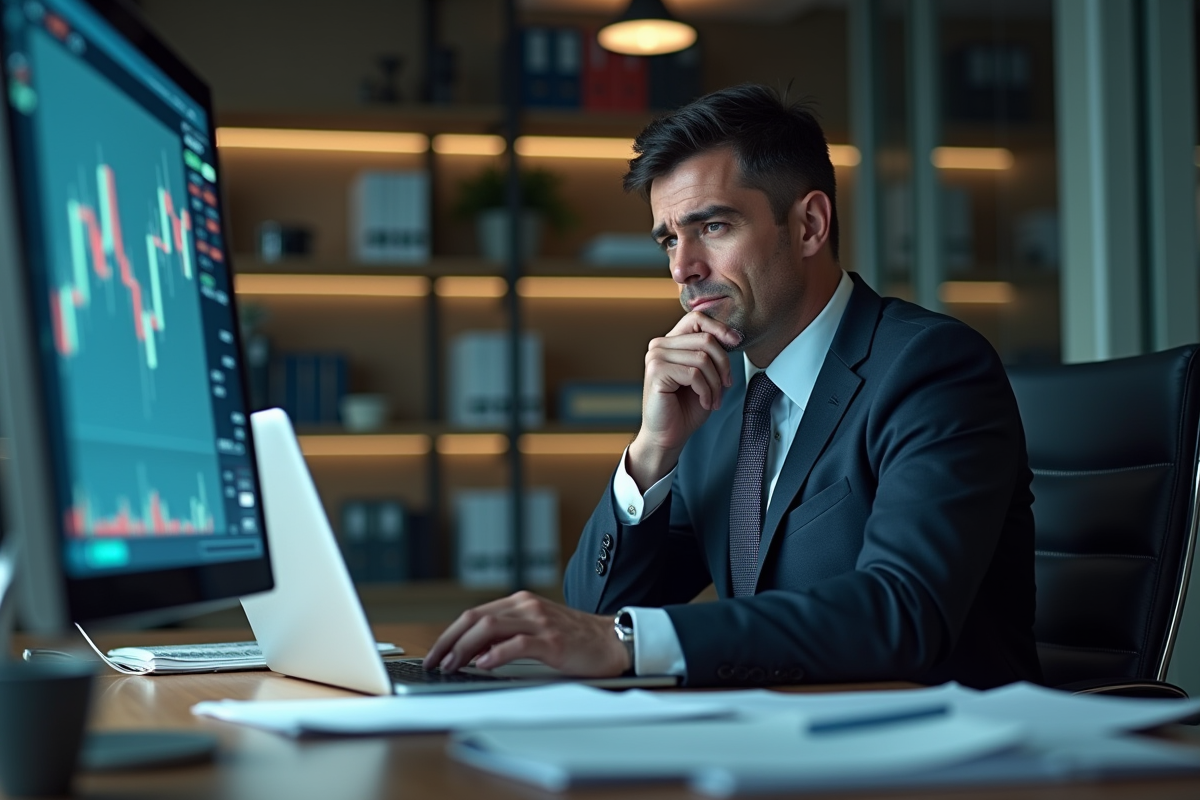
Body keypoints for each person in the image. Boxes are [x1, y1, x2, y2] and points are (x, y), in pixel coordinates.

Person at [425, 84, 1043, 689]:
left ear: (809, 225)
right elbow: (597, 615)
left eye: (714, 227)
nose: (682, 268)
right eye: (670, 239)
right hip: (770, 736)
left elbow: (904, 610)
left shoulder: (931, 367)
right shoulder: (717, 402)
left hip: (936, 742)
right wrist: (652, 452)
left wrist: (633, 643)